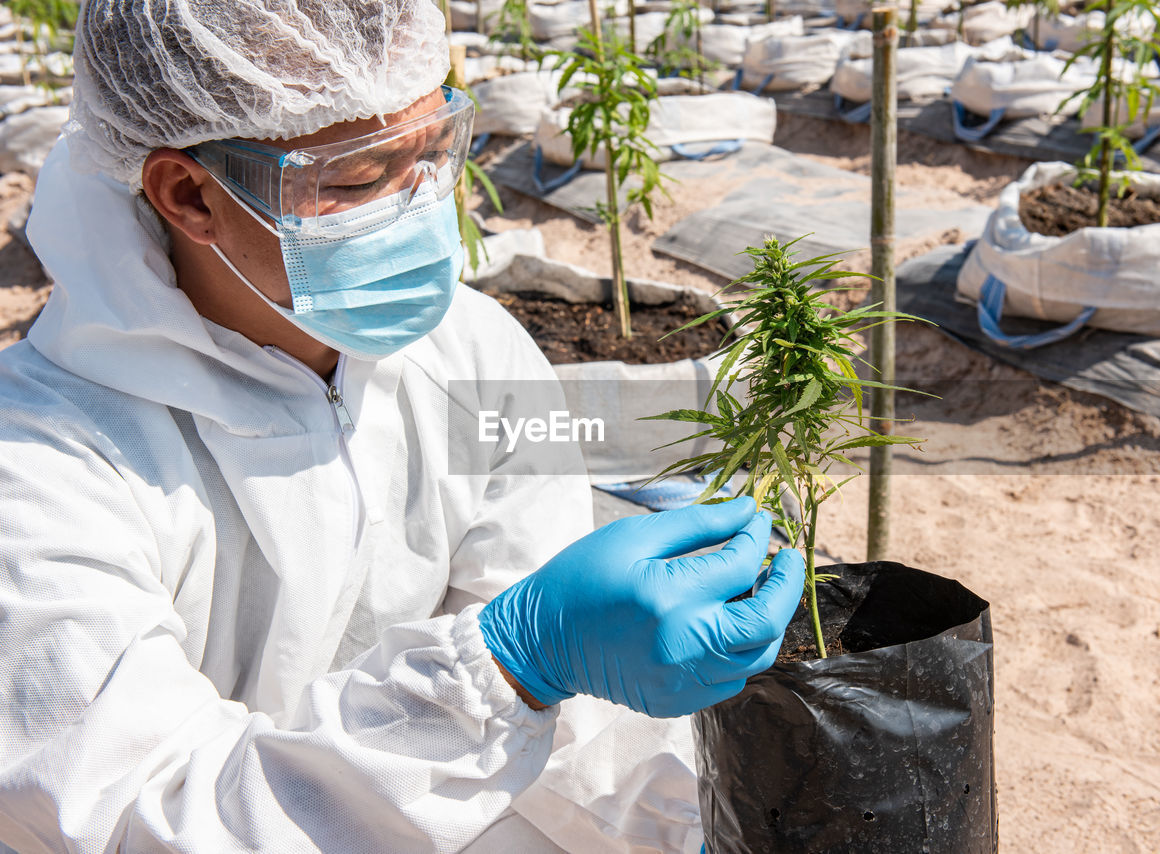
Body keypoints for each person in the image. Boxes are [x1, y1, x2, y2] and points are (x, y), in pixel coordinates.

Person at [0, 1, 805, 852]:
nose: (423, 210)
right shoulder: (43, 468)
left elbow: (567, 736)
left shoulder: (474, 352)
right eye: (356, 180)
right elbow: (140, 819)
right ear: (190, 194)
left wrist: (699, 820)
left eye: (435, 151)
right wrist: (505, 669)